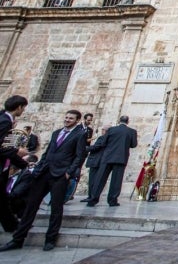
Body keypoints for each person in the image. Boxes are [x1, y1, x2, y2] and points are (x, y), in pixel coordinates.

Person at [0, 109, 86, 253]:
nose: (67, 120)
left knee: (56, 208)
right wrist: (39, 167)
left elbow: (79, 156)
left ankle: (50, 239)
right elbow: (48, 152)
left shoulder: (80, 134)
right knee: (30, 206)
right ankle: (18, 239)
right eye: (66, 117)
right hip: (44, 172)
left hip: (60, 174)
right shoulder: (56, 133)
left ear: (77, 120)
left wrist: (69, 173)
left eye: (71, 118)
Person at [86, 116, 138, 207]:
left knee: (100, 178)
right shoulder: (132, 131)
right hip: (121, 158)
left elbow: (103, 142)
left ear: (119, 121)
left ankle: (93, 199)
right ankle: (112, 200)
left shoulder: (111, 130)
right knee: (116, 180)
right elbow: (133, 145)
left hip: (107, 157)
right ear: (128, 121)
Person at [0, 95, 29, 233]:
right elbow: (3, 147)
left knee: (3, 198)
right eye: (23, 108)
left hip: (4, 167)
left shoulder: (5, 119)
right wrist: (19, 153)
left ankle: (11, 225)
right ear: (19, 107)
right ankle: (12, 225)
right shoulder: (5, 121)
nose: (23, 111)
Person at [80, 124, 110, 203]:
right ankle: (92, 196)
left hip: (96, 160)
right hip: (100, 161)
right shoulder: (109, 139)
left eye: (102, 129)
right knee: (96, 180)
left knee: (92, 179)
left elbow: (96, 147)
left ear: (105, 130)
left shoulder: (102, 138)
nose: (102, 131)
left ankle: (91, 196)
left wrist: (86, 148)